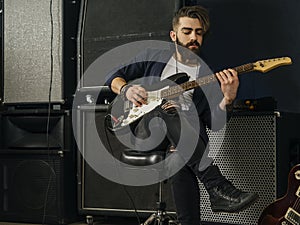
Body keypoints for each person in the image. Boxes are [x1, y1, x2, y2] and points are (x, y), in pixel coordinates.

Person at [105, 5, 258, 225]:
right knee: (169, 109)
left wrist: (228, 98)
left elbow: (214, 123)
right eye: (187, 32)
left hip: (183, 138)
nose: (193, 37)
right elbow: (114, 76)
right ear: (174, 35)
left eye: (198, 32)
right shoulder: (154, 56)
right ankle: (218, 186)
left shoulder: (206, 74)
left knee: (180, 156)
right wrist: (126, 89)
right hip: (145, 131)